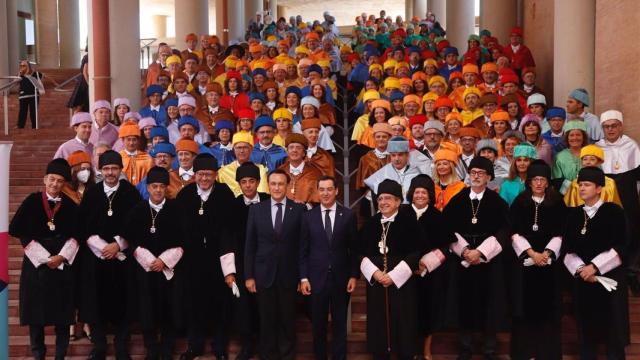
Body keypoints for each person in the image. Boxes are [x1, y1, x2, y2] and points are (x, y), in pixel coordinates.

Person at [10, 158, 80, 360]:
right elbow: (19, 231)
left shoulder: (71, 206)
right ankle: (38, 355)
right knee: (36, 317)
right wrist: (43, 257)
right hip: (36, 267)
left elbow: (77, 235)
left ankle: (60, 356)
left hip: (62, 266)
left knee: (62, 317)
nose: (55, 184)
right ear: (45, 179)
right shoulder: (32, 201)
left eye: (59, 181)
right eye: (52, 179)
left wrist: (61, 257)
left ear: (64, 184)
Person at [77, 150, 141, 360]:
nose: (110, 173)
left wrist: (118, 244)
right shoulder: (92, 193)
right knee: (95, 301)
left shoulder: (130, 193)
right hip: (95, 259)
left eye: (114, 168)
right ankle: (99, 345)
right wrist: (101, 246)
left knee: (123, 300)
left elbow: (137, 225)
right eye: (106, 169)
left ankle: (122, 345)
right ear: (100, 170)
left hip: (121, 259)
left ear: (120, 170)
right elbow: (83, 224)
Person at [444, 157, 509, 360]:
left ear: (489, 177)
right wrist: (464, 251)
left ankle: (489, 348)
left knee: (490, 303)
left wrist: (480, 252)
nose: (476, 176)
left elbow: (504, 230)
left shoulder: (498, 203)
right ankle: (465, 347)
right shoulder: (457, 200)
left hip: (489, 261)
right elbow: (447, 229)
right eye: (473, 172)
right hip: (462, 261)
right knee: (464, 302)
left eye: (481, 173)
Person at [563, 166, 629, 359]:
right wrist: (582, 270)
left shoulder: (613, 211)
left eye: (587, 185)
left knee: (613, 331)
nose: (581, 188)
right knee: (586, 331)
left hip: (609, 280)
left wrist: (595, 267)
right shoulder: (573, 215)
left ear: (599, 188)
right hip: (584, 282)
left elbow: (622, 245)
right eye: (580, 185)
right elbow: (567, 248)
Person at [176, 153, 236, 360]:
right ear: (194, 175)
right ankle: (195, 344)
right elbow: (179, 230)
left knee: (220, 303)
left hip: (217, 259)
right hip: (192, 261)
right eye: (200, 174)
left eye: (208, 175)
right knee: (193, 303)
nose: (204, 179)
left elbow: (230, 229)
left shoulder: (224, 194)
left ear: (216, 175)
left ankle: (219, 346)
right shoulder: (185, 195)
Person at [359, 179, 426, 360]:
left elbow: (415, 252)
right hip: (377, 285)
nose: (383, 202)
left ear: (398, 201)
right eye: (380, 199)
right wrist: (376, 273)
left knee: (404, 323)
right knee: (378, 324)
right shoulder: (371, 224)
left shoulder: (409, 222)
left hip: (402, 285)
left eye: (388, 198)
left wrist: (394, 276)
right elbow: (360, 253)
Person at [244, 169, 307, 360]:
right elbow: (250, 245)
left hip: (289, 275)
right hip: (263, 275)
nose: (277, 187)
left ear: (287, 186)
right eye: (273, 184)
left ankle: (288, 356)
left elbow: (302, 246)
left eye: (281, 184)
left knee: (288, 321)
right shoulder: (256, 209)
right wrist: (249, 276)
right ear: (268, 185)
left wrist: (302, 276)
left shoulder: (299, 210)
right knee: (267, 321)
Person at [125, 167, 185, 359]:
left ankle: (167, 348)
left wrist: (164, 260)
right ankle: (151, 347)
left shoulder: (177, 210)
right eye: (154, 186)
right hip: (145, 269)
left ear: (167, 188)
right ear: (148, 188)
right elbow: (130, 240)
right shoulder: (137, 210)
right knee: (146, 307)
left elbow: (185, 240)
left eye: (161, 186)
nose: (158, 190)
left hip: (170, 270)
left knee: (170, 307)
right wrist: (150, 260)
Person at [508, 160, 566, 360]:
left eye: (542, 179)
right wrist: (532, 253)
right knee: (523, 310)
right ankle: (524, 354)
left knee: (548, 312)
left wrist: (546, 254)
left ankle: (547, 354)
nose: (539, 183)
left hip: (549, 266)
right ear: (529, 182)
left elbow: (561, 233)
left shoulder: (558, 202)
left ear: (548, 182)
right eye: (535, 180)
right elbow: (513, 232)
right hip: (524, 265)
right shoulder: (520, 201)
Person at [299, 176, 359, 360]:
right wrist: (303, 278)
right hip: (316, 280)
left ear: (336, 191)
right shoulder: (308, 217)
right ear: (317, 191)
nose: (325, 193)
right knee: (318, 325)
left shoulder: (348, 215)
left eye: (329, 189)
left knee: (340, 324)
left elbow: (354, 249)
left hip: (341, 279)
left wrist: (353, 276)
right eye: (322, 189)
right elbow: (302, 250)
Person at [226, 163, 270, 360]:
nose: (248, 186)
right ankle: (246, 347)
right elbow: (226, 240)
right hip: (242, 265)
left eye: (252, 181)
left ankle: (265, 346)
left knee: (265, 307)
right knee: (244, 308)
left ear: (259, 183)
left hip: (267, 264)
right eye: (244, 182)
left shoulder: (270, 201)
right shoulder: (233, 206)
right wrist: (229, 271)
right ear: (239, 185)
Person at [595, 110, 640, 292]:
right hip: (605, 198)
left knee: (632, 231)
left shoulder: (632, 146)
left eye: (614, 125)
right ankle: (607, 268)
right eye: (606, 126)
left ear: (620, 126)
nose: (610, 129)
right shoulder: (597, 148)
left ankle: (632, 271)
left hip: (628, 197)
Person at [406, 175, 449, 360]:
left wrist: (425, 263)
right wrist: (410, 265)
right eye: (417, 192)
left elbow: (446, 246)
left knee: (428, 312)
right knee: (408, 312)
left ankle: (426, 351)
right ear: (411, 194)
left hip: (430, 273)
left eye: (424, 192)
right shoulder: (402, 214)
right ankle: (410, 350)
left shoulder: (438, 216)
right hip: (405, 273)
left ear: (430, 195)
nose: (420, 195)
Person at [364, 136, 428, 204]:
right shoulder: (382, 174)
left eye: (400, 155)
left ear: (407, 155)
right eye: (393, 155)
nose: (396, 159)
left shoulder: (417, 174)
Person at [217, 132, 269, 197]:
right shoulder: (224, 172)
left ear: (251, 149)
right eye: (238, 148)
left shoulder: (260, 169)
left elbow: (263, 193)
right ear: (234, 150)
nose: (242, 151)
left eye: (245, 147)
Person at [278, 134, 322, 205]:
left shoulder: (315, 173)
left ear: (304, 153)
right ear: (287, 152)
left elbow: (318, 198)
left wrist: (306, 206)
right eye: (291, 147)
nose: (294, 150)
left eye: (298, 148)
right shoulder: (280, 172)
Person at [17, 60, 43, 129]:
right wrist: (19, 75)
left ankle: (34, 126)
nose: (22, 67)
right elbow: (15, 83)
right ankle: (20, 126)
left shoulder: (35, 74)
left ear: (28, 66)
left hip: (34, 95)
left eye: (24, 65)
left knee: (33, 111)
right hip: (23, 95)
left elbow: (42, 77)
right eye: (21, 66)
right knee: (22, 111)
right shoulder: (20, 74)